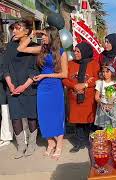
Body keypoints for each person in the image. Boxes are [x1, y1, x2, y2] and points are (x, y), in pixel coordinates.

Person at [17, 26, 68, 160]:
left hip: (55, 87)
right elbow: (21, 48)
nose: (43, 37)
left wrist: (46, 76)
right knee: (44, 116)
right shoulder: (41, 50)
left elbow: (64, 74)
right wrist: (33, 33)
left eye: (45, 35)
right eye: (42, 35)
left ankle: (59, 145)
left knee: (57, 116)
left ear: (52, 36)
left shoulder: (62, 52)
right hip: (42, 87)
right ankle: (50, 143)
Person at [3, 20, 39, 159]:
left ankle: (31, 144)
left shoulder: (35, 47)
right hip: (12, 87)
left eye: (17, 29)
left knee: (31, 116)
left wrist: (24, 86)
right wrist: (10, 84)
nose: (13, 31)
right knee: (15, 116)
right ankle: (21, 146)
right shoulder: (10, 46)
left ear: (27, 31)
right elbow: (5, 66)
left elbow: (36, 69)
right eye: (13, 29)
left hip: (29, 86)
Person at [63, 42, 99, 153]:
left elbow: (97, 79)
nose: (75, 53)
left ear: (85, 52)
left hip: (88, 99)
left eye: (78, 51)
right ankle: (79, 142)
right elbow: (64, 79)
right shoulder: (70, 64)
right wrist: (74, 85)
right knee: (77, 121)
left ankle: (87, 141)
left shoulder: (94, 64)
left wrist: (85, 85)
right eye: (75, 51)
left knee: (88, 120)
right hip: (74, 98)